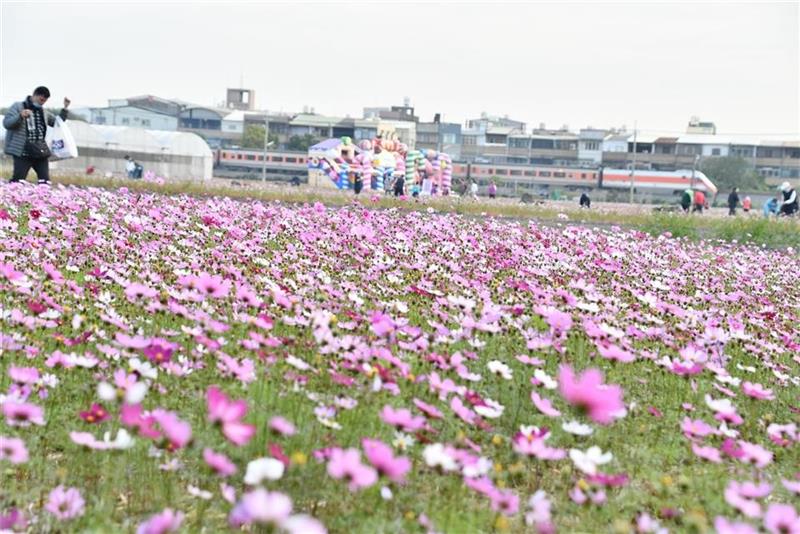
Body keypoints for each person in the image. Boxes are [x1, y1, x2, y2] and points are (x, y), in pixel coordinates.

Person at [4, 86, 70, 184]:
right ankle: (10, 198)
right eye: (41, 100)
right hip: (23, 151)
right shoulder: (18, 106)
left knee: (45, 181)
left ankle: (43, 197)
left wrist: (65, 108)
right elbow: (7, 123)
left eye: (44, 101)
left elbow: (57, 123)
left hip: (40, 151)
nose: (42, 103)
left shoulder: (43, 111)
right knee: (17, 181)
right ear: (34, 95)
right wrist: (20, 116)